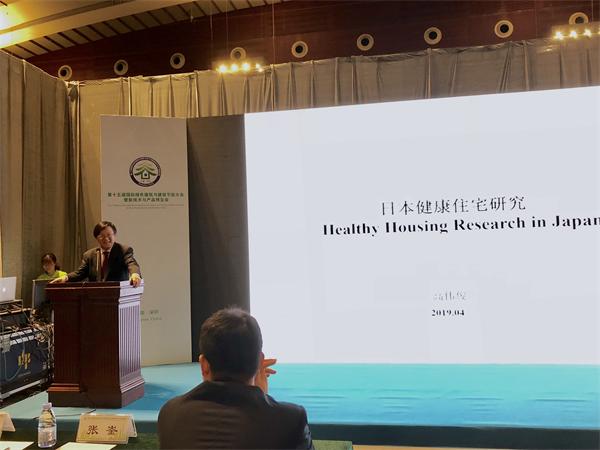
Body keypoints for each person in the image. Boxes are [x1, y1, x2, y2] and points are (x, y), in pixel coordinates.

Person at [157, 308, 314, 450]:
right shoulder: (290, 420)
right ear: (260, 362)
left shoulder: (171, 413)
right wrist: (262, 398)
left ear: (204, 365)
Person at [51, 221, 142, 287]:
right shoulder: (89, 255)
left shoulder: (123, 250)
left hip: (118, 296)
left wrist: (135, 275)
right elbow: (80, 273)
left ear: (114, 235)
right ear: (96, 238)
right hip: (95, 297)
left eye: (109, 235)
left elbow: (131, 263)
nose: (106, 239)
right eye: (101, 236)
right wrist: (65, 278)